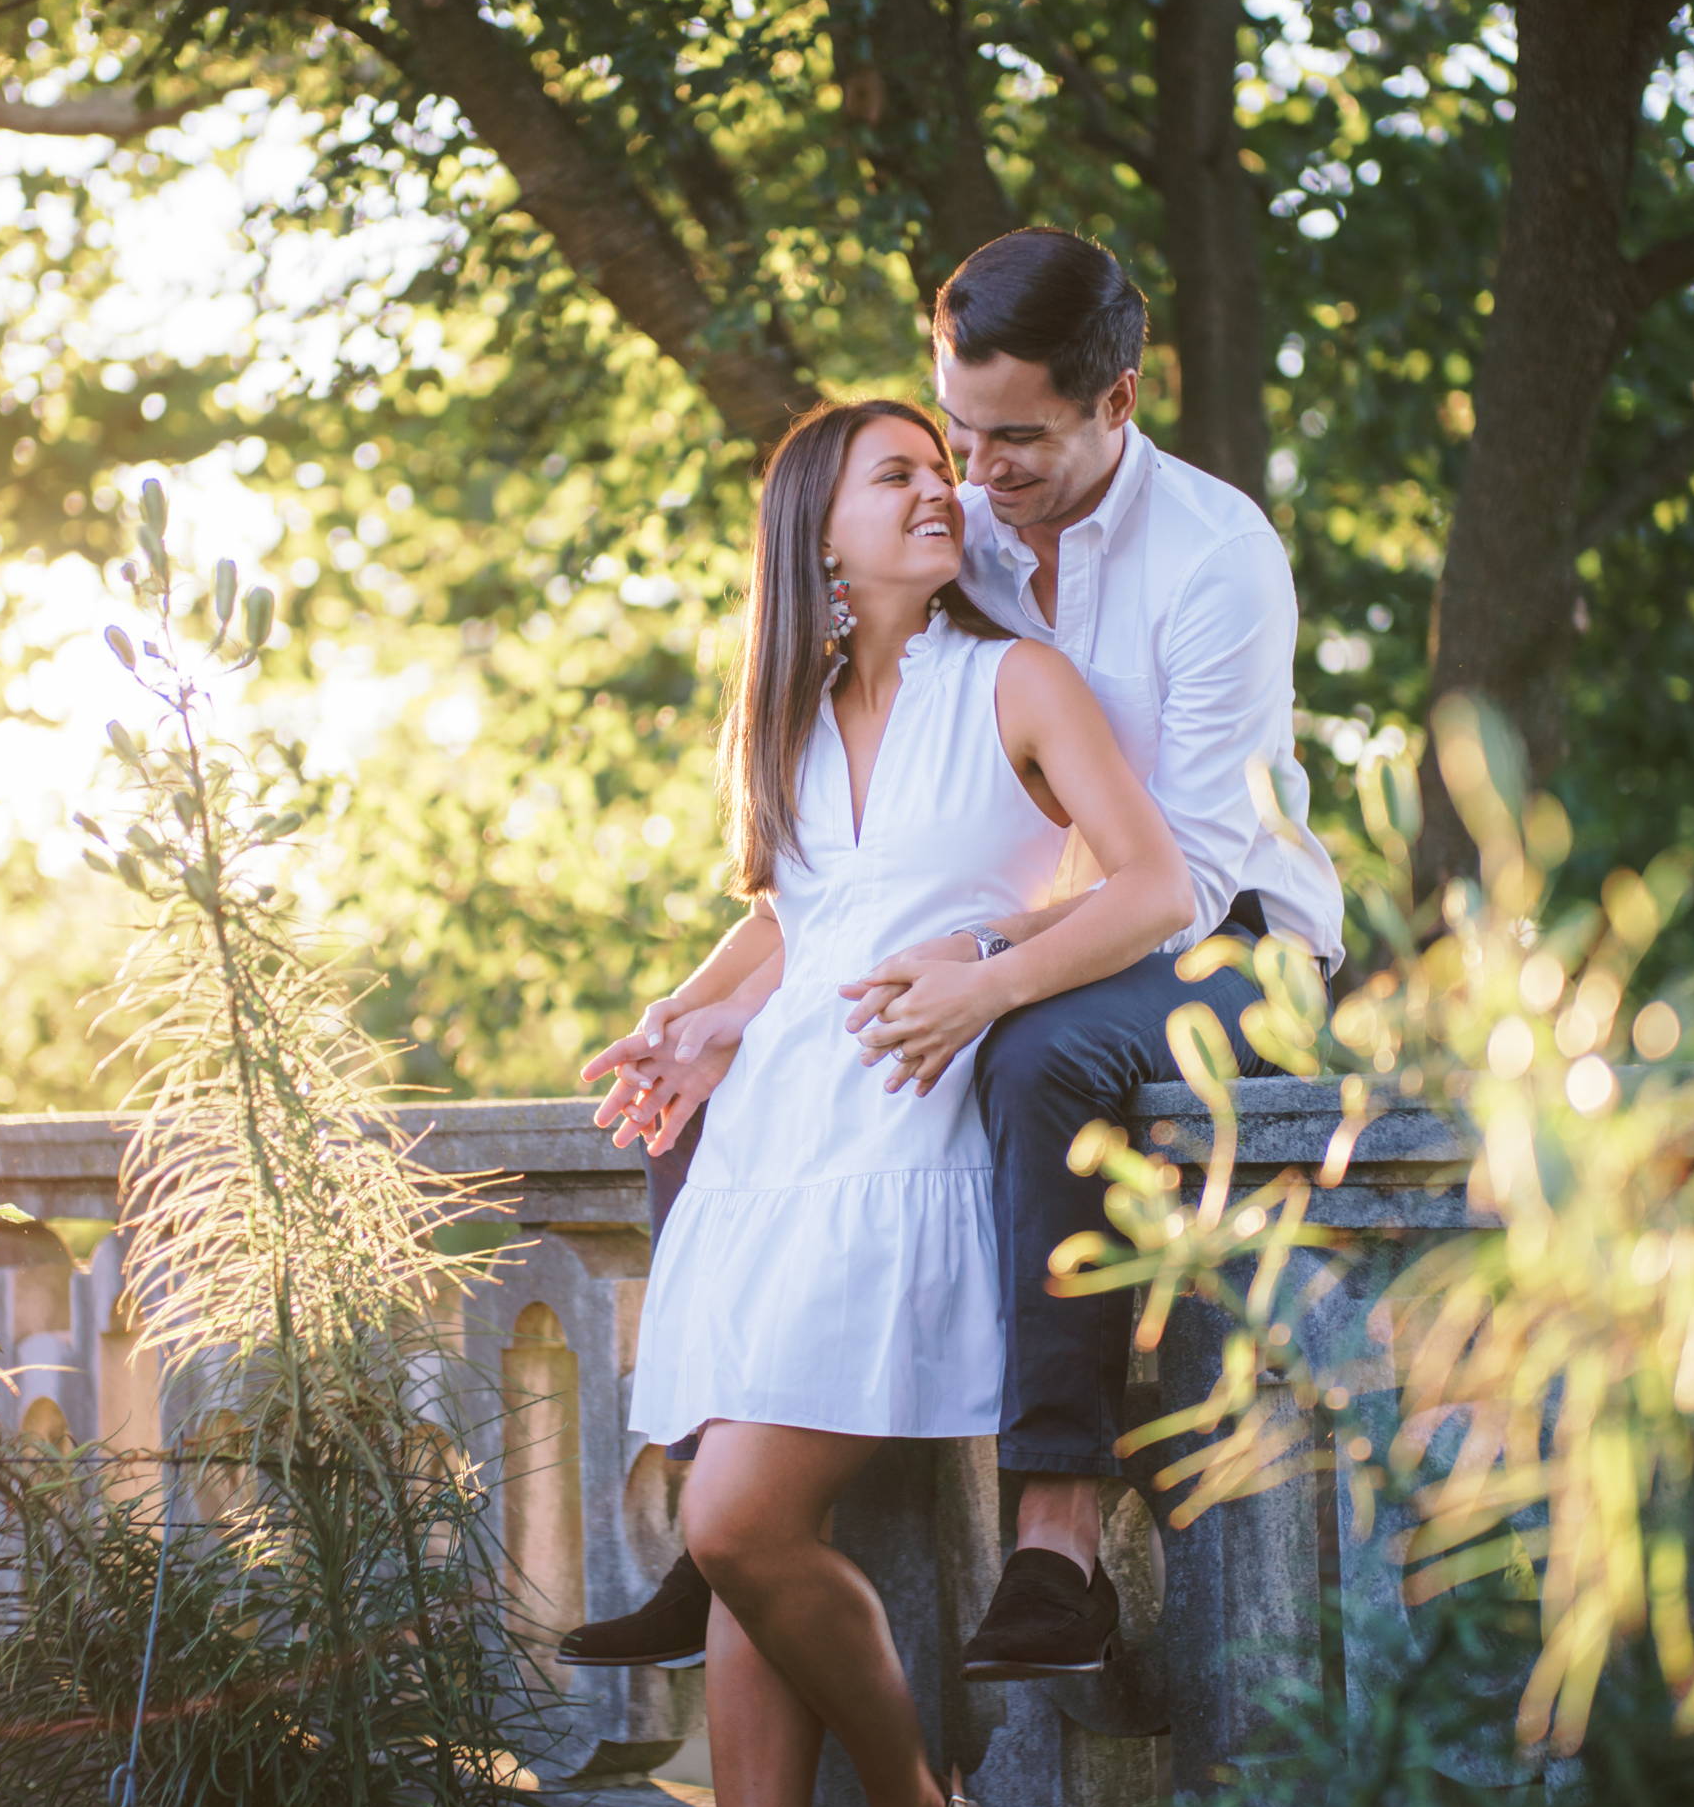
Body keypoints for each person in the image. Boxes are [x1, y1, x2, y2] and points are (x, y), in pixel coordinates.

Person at [575, 228, 1342, 1690]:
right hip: (1036, 922)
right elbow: (867, 862)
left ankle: (1058, 1535)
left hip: (1239, 939)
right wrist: (710, 1006)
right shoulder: (964, 523)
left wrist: (986, 965)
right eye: (955, 428)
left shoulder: (1217, 558)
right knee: (733, 1078)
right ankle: (716, 1492)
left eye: (1015, 440)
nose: (976, 474)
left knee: (1044, 1053)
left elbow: (1183, 877)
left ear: (1117, 402)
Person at [618, 397, 1193, 1807]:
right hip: (777, 1161)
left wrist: (992, 984)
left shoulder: (1012, 682)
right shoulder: (792, 732)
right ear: (820, 539)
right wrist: (698, 1024)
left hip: (915, 1151)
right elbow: (806, 917)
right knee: (743, 1549)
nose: (938, 486)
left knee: (734, 1517)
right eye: (899, 474)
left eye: (935, 467)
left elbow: (1153, 884)